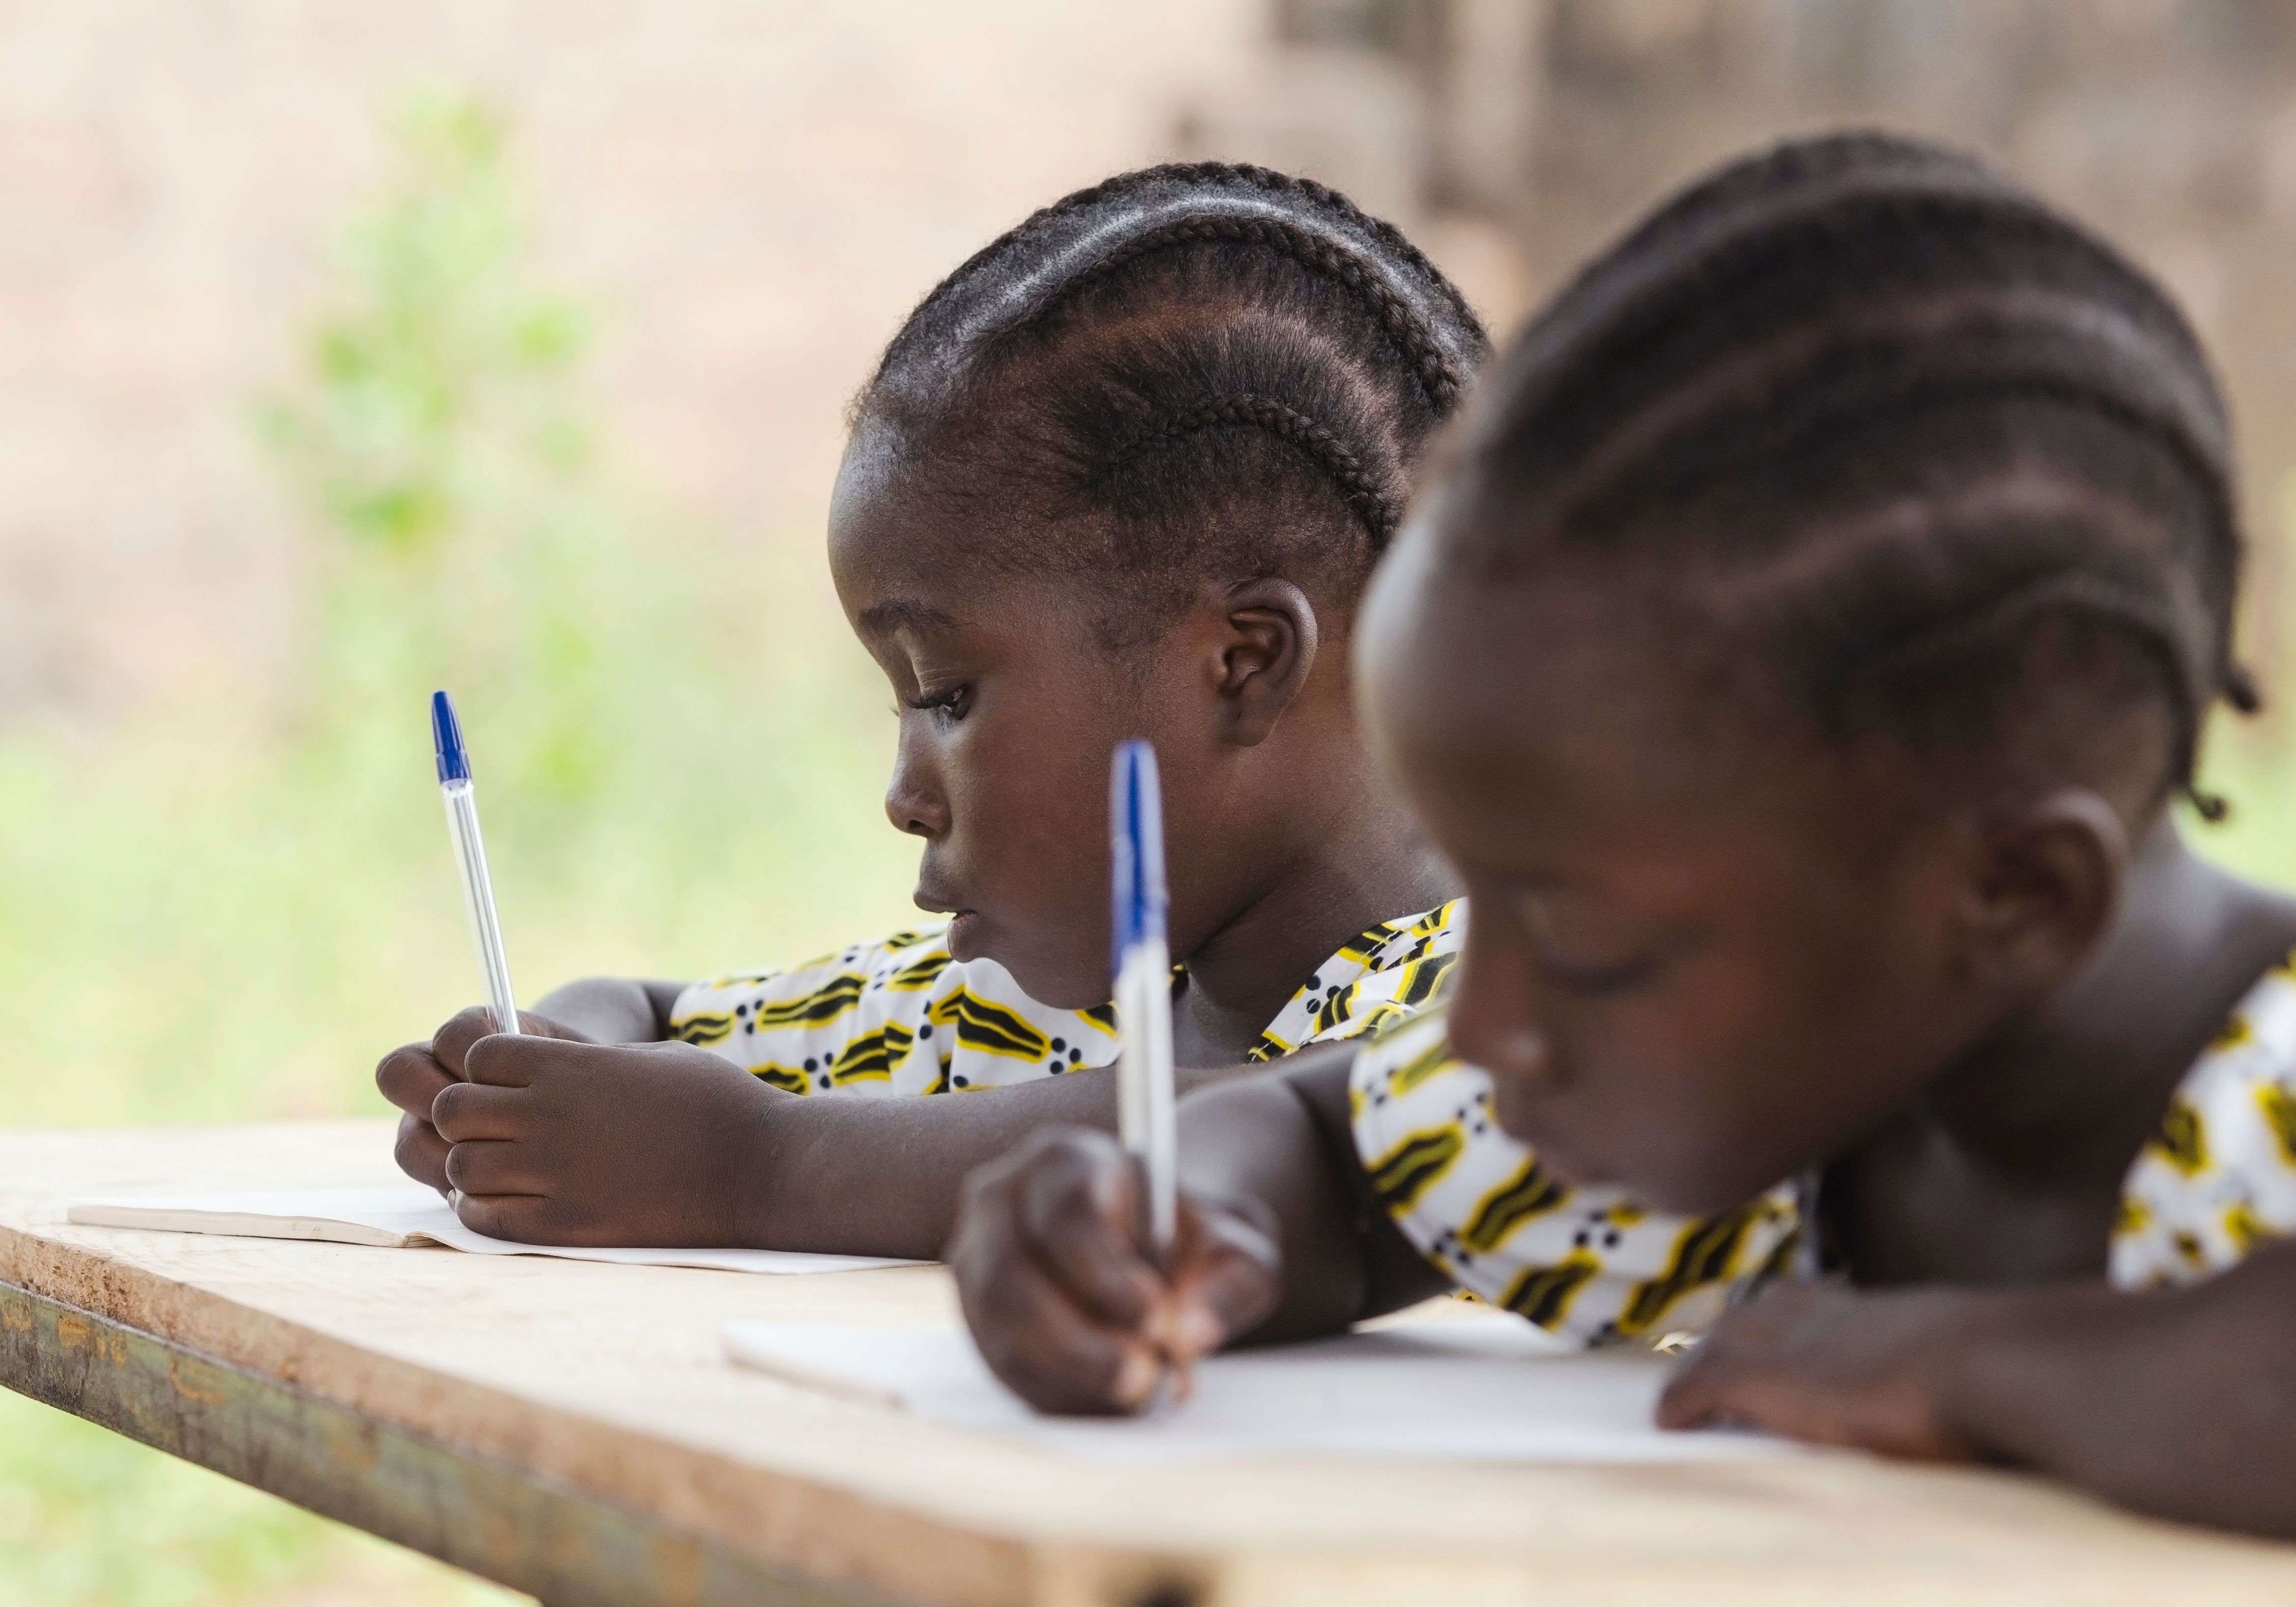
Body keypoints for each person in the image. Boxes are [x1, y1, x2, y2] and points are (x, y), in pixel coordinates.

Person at [945, 132, 2296, 1540]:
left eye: (1577, 941)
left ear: (2013, 894)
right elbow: (1333, 1162)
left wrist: (1953, 1371)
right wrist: (1156, 1234)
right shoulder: (1795, 1094)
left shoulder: (2266, 1082)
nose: (1482, 1031)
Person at [375, 162, 1487, 1259]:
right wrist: (546, 1075)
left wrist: (749, 1166)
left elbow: (1286, 1132)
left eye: (948, 696)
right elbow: (654, 1015)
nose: (905, 798)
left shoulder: (1507, 1003)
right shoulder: (1019, 1022)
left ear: (1241, 665)